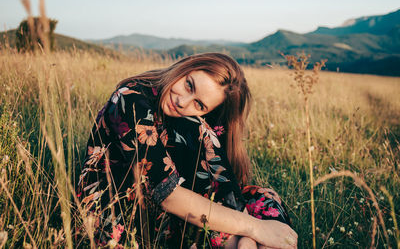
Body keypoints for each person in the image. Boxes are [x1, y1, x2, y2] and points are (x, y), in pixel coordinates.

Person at [77, 53, 297, 248]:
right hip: (121, 211)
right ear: (186, 67)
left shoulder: (193, 121)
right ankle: (245, 242)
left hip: (174, 208)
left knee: (265, 198)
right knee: (195, 126)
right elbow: (168, 196)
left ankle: (246, 244)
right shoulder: (130, 99)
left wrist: (250, 231)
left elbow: (223, 189)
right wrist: (254, 228)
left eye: (200, 105)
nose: (182, 101)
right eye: (189, 85)